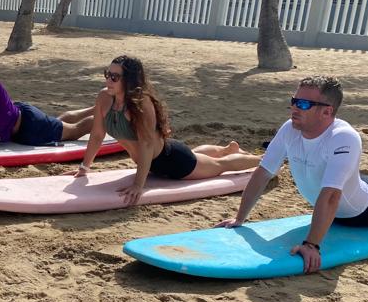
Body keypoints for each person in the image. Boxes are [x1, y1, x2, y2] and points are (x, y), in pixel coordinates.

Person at [218, 75, 368, 273]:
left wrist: (311, 245)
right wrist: (240, 218)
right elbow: (262, 173)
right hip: (354, 186)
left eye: (303, 104)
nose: (294, 108)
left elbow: (331, 196)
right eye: (294, 100)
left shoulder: (344, 138)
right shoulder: (290, 129)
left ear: (327, 112)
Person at [69, 55, 262, 205]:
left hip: (172, 162)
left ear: (129, 80)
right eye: (107, 74)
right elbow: (96, 135)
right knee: (204, 159)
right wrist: (84, 168)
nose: (108, 80)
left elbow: (146, 144)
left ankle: (263, 161)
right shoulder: (104, 97)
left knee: (220, 166)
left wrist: (138, 185)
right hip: (151, 164)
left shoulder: (141, 103)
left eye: (115, 77)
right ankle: (226, 149)